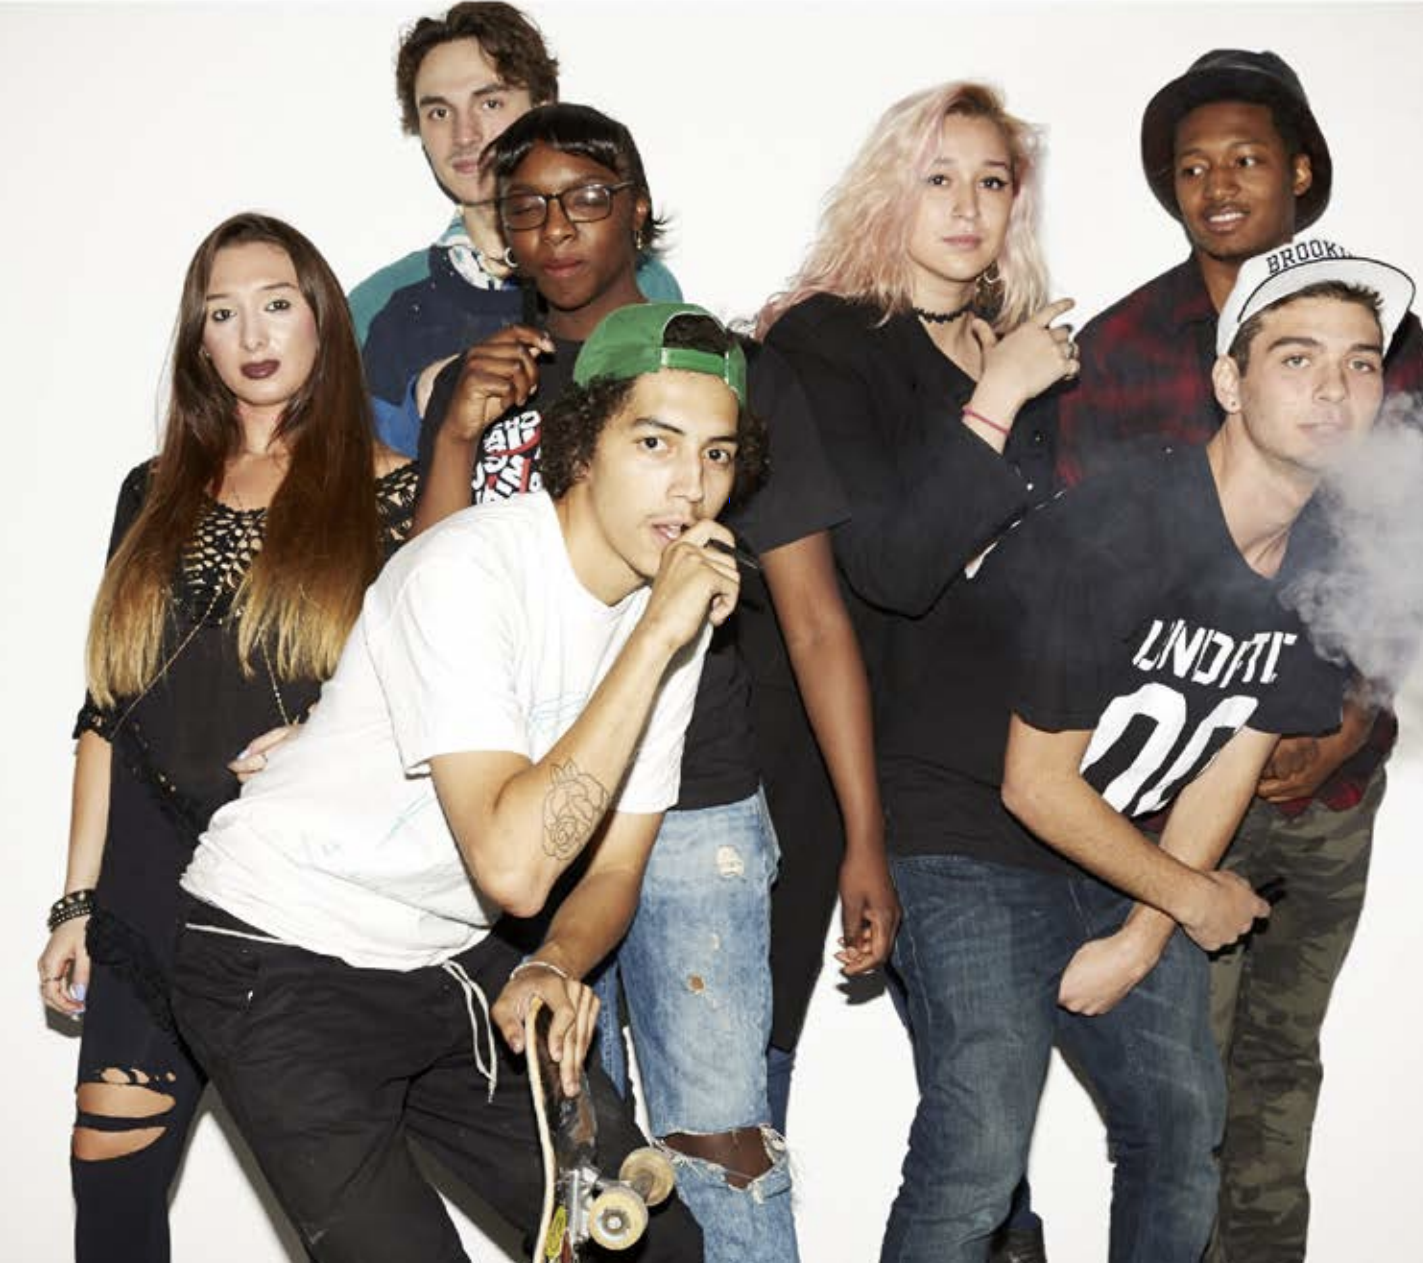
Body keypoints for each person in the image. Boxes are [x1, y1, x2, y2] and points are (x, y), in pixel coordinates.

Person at [170, 303, 761, 1262]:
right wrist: (656, 635)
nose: (692, 487)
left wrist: (556, 961)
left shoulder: (673, 619)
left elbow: (617, 869)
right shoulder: (470, 569)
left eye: (718, 454)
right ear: (583, 446)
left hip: (444, 957)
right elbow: (516, 871)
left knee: (649, 1248)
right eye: (655, 443)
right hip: (276, 949)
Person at [413, 101, 887, 1261]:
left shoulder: (726, 371)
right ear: (499, 228)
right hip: (526, 804)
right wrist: (457, 436)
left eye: (586, 198)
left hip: (694, 800)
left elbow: (815, 621)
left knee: (718, 1143)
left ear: (636, 209)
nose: (557, 228)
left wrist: (865, 834)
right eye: (527, 206)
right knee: (581, 1165)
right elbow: (428, 597)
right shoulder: (483, 383)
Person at [1052, 50, 1423, 1262]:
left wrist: (1355, 706)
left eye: (1247, 158)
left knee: (1282, 1068)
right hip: (1180, 791)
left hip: (1329, 779)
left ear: (1300, 173)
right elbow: (1085, 565)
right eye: (1193, 166)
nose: (1218, 184)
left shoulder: (1380, 336)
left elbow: (1415, 526)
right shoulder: (1123, 343)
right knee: (1183, 1091)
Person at [987, 242, 1415, 1263]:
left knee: (1185, 1130)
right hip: (972, 840)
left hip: (1115, 846)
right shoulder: (1127, 522)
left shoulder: (1327, 557)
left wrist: (1143, 937)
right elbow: (1031, 781)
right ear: (1229, 382)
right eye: (1298, 359)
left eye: (1360, 363)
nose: (1334, 390)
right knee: (977, 1151)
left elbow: (1237, 745)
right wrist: (1188, 898)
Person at [34, 212, 418, 1261]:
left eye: (276, 303)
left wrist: (322, 734)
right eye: (222, 312)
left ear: (322, 319)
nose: (251, 333)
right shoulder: (150, 492)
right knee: (110, 1188)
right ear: (197, 341)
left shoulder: (391, 493)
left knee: (348, 1213)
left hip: (292, 892)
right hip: (147, 886)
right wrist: (77, 901)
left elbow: (424, 704)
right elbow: (108, 709)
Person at [751, 81, 1077, 1262]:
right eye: (938, 177)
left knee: (1003, 1134)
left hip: (1025, 779)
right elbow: (886, 568)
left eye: (991, 181)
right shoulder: (828, 344)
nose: (967, 207)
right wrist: (998, 396)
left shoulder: (1026, 345)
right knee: (973, 1119)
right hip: (887, 776)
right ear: (889, 189)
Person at [348, 1, 680, 456]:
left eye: (490, 102)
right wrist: (425, 403)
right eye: (439, 112)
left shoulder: (636, 279)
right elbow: (350, 472)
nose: (465, 134)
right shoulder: (376, 305)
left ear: (543, 107)